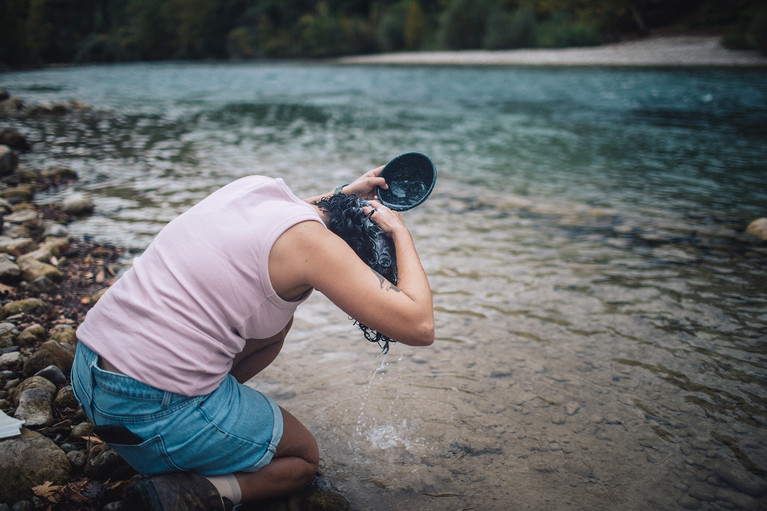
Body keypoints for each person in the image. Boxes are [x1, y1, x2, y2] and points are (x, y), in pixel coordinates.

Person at [70, 165, 435, 511]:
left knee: (276, 325)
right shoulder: (318, 248)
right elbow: (419, 327)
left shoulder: (255, 189)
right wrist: (399, 231)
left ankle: (204, 420)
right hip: (147, 411)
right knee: (303, 459)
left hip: (87, 371)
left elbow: (297, 217)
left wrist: (344, 194)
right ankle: (201, 491)